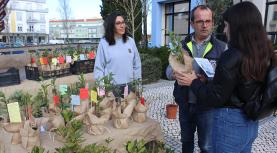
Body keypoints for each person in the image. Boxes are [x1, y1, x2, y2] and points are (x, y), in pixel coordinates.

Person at [180, 2, 277, 152]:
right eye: (200, 21)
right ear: (192, 24)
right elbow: (240, 85)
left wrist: (193, 82)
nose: (224, 30)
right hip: (250, 121)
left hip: (230, 123)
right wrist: (210, 81)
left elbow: (216, 97)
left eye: (226, 25)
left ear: (238, 26)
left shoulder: (230, 54)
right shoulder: (263, 53)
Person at [166, 5, 226, 153]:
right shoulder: (181, 45)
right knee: (186, 142)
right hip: (185, 103)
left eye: (208, 21)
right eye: (200, 21)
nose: (205, 25)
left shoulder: (222, 48)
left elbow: (225, 81)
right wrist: (174, 74)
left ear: (212, 22)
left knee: (206, 146)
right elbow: (168, 70)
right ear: (192, 23)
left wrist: (207, 80)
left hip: (207, 106)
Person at [94, 12, 142, 97]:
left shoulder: (130, 41)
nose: (122, 25)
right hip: (111, 89)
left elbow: (137, 65)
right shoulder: (104, 43)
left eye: (123, 22)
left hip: (129, 87)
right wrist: (101, 92)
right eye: (118, 23)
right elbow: (99, 68)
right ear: (111, 26)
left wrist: (138, 87)